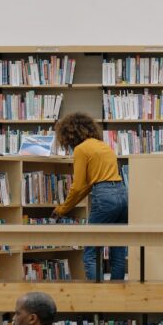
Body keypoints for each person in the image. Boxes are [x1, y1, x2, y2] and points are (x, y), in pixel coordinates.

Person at [52, 112, 127, 281]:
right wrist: (66, 208)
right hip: (122, 194)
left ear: (69, 134)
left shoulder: (81, 149)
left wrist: (62, 209)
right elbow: (88, 186)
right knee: (118, 251)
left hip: (104, 196)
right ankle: (118, 296)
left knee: (91, 252)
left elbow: (78, 186)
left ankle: (97, 296)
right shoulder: (103, 146)